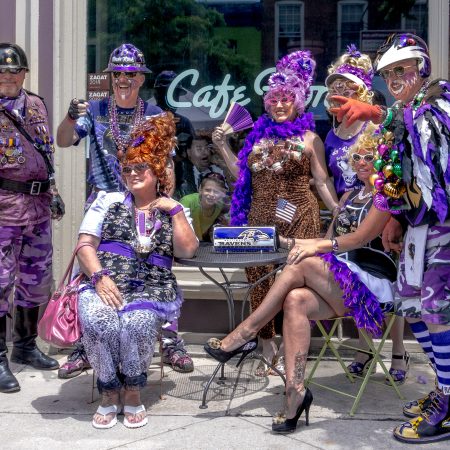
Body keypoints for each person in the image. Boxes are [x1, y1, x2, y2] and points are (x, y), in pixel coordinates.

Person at [204, 124, 403, 434]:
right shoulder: (350, 194)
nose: (363, 162)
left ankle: (247, 332)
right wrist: (284, 242)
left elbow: (358, 239)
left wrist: (311, 247)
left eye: (370, 157)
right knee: (295, 299)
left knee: (303, 262)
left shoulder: (384, 198)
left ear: (382, 161)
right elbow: (328, 239)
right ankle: (295, 392)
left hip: (372, 285)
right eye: (358, 156)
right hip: (340, 280)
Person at [328, 33, 450, 444]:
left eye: (403, 69)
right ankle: (443, 389)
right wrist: (397, 218)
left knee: (437, 314)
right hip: (419, 227)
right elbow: (403, 167)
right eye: (389, 73)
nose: (396, 78)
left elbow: (423, 149)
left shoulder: (439, 102)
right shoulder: (405, 110)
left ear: (422, 69)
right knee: (413, 309)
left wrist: (376, 113)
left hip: (444, 229)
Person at [56, 43, 194, 376]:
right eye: (117, 73)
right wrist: (71, 116)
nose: (123, 79)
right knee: (88, 268)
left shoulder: (156, 116)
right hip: (104, 199)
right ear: (110, 77)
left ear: (140, 78)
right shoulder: (95, 111)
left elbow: (168, 167)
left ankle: (170, 341)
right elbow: (62, 140)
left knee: (157, 268)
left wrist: (165, 202)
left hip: (145, 202)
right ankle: (85, 346)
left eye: (130, 74)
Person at [212, 50, 339, 376]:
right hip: (259, 221)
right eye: (275, 100)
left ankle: (289, 349)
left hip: (300, 221)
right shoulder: (256, 139)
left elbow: (322, 181)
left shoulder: (311, 138)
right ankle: (266, 346)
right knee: (259, 282)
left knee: (294, 286)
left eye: (287, 99)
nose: (280, 105)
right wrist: (223, 146)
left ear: (298, 101)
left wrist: (341, 213)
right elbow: (242, 176)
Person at [76, 112, 198, 429]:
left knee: (138, 322)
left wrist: (174, 211)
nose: (132, 173)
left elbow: (187, 250)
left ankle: (131, 389)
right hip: (104, 283)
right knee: (99, 319)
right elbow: (85, 246)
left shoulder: (175, 209)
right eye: (127, 168)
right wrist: (99, 277)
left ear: (157, 170)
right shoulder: (108, 199)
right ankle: (108, 390)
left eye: (140, 167)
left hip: (151, 289)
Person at [324, 46, 407, 382]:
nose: (340, 93)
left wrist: (390, 215)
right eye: (334, 87)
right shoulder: (330, 135)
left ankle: (398, 351)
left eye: (347, 87)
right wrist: (335, 207)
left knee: (391, 279)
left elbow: (394, 168)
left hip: (381, 211)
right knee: (353, 275)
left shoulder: (373, 124)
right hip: (348, 213)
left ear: (361, 90)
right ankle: (364, 348)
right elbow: (329, 180)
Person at [0, 43, 62, 394]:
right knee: (0, 283)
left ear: (24, 73)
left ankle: (25, 347)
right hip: (4, 208)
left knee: (36, 279)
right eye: (2, 71)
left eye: (14, 70)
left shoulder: (36, 104)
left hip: (37, 207)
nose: (8, 76)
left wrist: (54, 192)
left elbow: (46, 152)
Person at [153, 70, 195, 163]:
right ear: (157, 95)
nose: (173, 99)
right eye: (167, 94)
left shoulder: (184, 123)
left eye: (176, 94)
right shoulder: (147, 120)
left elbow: (193, 153)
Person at [174, 131, 225, 199]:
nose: (205, 152)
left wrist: (224, 165)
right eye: (199, 149)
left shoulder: (216, 170)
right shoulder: (180, 171)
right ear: (189, 152)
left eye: (207, 148)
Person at [180, 172, 230, 241]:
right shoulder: (188, 202)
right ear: (200, 189)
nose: (211, 194)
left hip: (201, 243)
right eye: (208, 190)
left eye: (216, 192)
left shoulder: (219, 206)